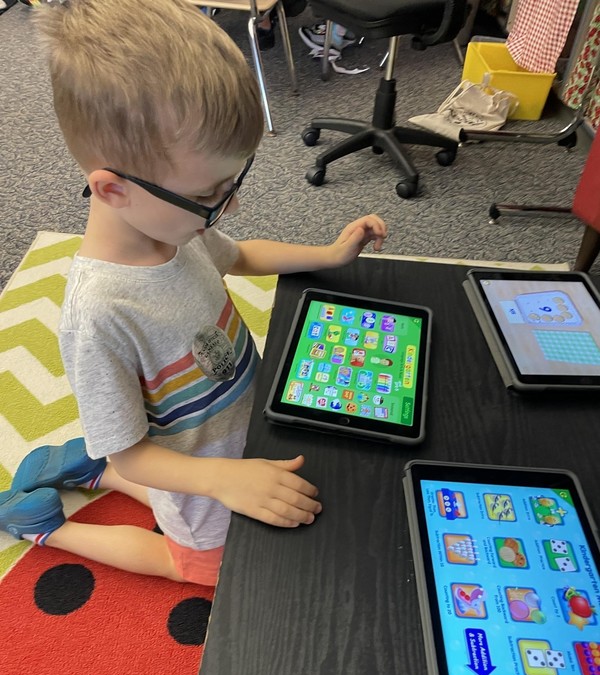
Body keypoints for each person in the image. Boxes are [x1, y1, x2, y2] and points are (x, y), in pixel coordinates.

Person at [0, 0, 387, 587]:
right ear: (112, 189)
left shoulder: (178, 230)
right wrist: (220, 481)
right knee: (198, 566)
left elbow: (245, 254)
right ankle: (44, 528)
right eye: (211, 193)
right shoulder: (100, 315)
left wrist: (330, 255)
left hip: (228, 441)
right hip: (201, 478)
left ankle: (87, 468)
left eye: (235, 182)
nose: (227, 207)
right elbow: (131, 451)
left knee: (152, 484)